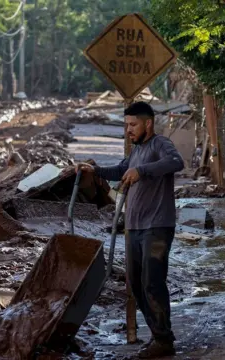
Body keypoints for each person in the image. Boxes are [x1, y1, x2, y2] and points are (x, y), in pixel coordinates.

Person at [76, 101, 184, 358]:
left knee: (152, 281)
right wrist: (96, 170)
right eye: (126, 125)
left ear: (148, 123)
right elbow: (121, 170)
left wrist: (142, 171)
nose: (129, 130)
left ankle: (163, 340)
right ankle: (160, 335)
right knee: (136, 283)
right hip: (134, 226)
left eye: (133, 125)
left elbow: (176, 162)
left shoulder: (160, 144)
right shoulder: (136, 151)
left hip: (157, 226)